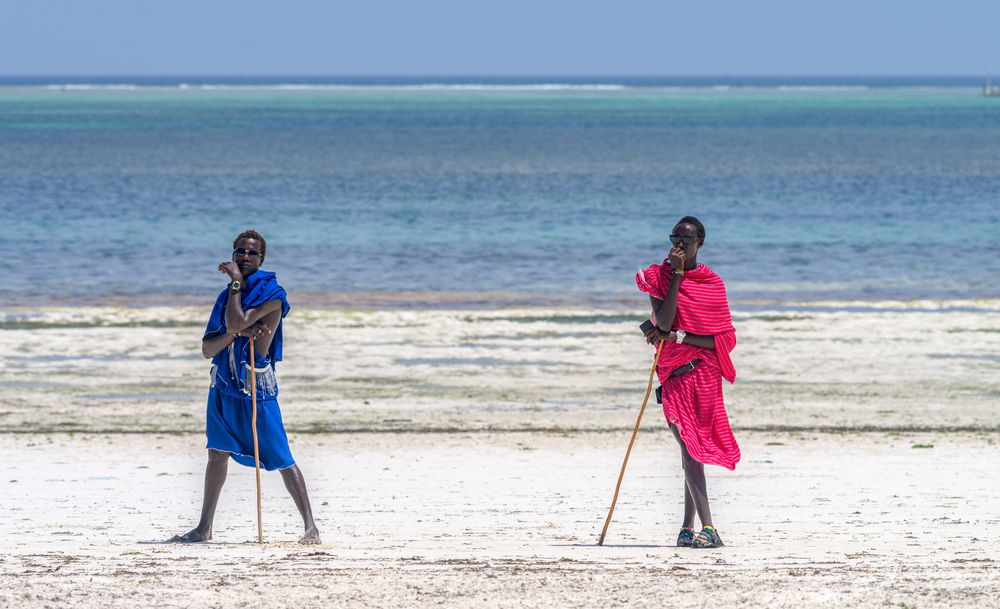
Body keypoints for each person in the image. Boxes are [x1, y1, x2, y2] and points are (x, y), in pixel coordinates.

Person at [170, 229, 320, 544]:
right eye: (240, 251)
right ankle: (204, 528)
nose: (245, 257)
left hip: (255, 385)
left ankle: (311, 527)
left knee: (281, 455)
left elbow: (236, 322)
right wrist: (236, 332)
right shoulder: (226, 297)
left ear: (262, 259)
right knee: (216, 453)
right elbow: (209, 348)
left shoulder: (273, 295)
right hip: (223, 382)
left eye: (252, 253)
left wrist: (237, 286)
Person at [636, 216, 739, 549]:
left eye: (687, 241)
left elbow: (723, 340)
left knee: (692, 452)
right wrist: (677, 275)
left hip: (704, 374)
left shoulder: (713, 283)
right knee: (689, 451)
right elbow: (663, 322)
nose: (680, 246)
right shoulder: (659, 277)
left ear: (701, 243)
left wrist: (680, 338)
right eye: (675, 239)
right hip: (673, 376)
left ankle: (694, 528)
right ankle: (702, 528)